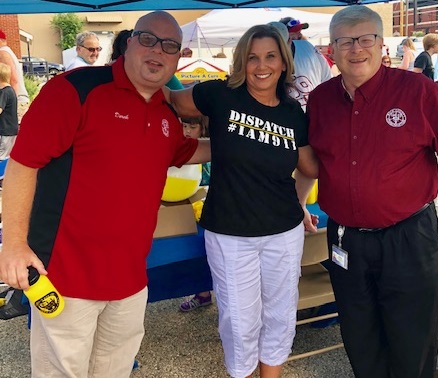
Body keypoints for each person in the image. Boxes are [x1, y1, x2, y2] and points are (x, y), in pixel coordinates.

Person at [0, 11, 209, 378]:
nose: (157, 51)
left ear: (179, 57)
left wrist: (246, 142)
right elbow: (22, 165)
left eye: (170, 46)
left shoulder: (164, 113)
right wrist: (14, 244)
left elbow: (188, 151)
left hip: (129, 280)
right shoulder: (75, 91)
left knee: (113, 372)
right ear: (128, 44)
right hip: (65, 277)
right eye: (148, 40)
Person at [306, 5, 438, 378]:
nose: (356, 49)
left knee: (412, 339)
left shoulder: (417, 91)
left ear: (381, 44)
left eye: (365, 39)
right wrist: (294, 202)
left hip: (408, 239)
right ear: (331, 49)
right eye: (345, 41)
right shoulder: (320, 100)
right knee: (360, 336)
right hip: (346, 241)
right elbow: (313, 161)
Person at [165, 24, 317, 378]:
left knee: (280, 315)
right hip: (230, 234)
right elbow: (170, 100)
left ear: (283, 63)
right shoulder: (219, 95)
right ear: (241, 62)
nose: (261, 65)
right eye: (252, 57)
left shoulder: (294, 112)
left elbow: (309, 165)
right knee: (239, 322)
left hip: (283, 232)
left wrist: (300, 202)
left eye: (270, 56)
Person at [179, 115, 213, 312]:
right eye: (184, 126)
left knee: (206, 253)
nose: (187, 131)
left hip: (207, 208)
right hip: (187, 209)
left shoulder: (208, 150)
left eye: (192, 127)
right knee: (194, 255)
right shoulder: (180, 147)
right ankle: (202, 293)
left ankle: (204, 293)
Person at [277, 17, 332, 110]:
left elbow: (327, 78)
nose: (298, 35)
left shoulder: (308, 47)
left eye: (299, 31)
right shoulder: (308, 47)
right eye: (294, 32)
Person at [0, 29, 29, 124]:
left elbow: (13, 80)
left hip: (17, 102)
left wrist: (12, 105)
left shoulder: (3, 53)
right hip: (19, 101)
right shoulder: (8, 52)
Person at [0, 63, 18, 160]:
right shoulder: (10, 91)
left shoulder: (4, 92)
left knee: (1, 156)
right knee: (6, 156)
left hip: (4, 131)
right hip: (10, 130)